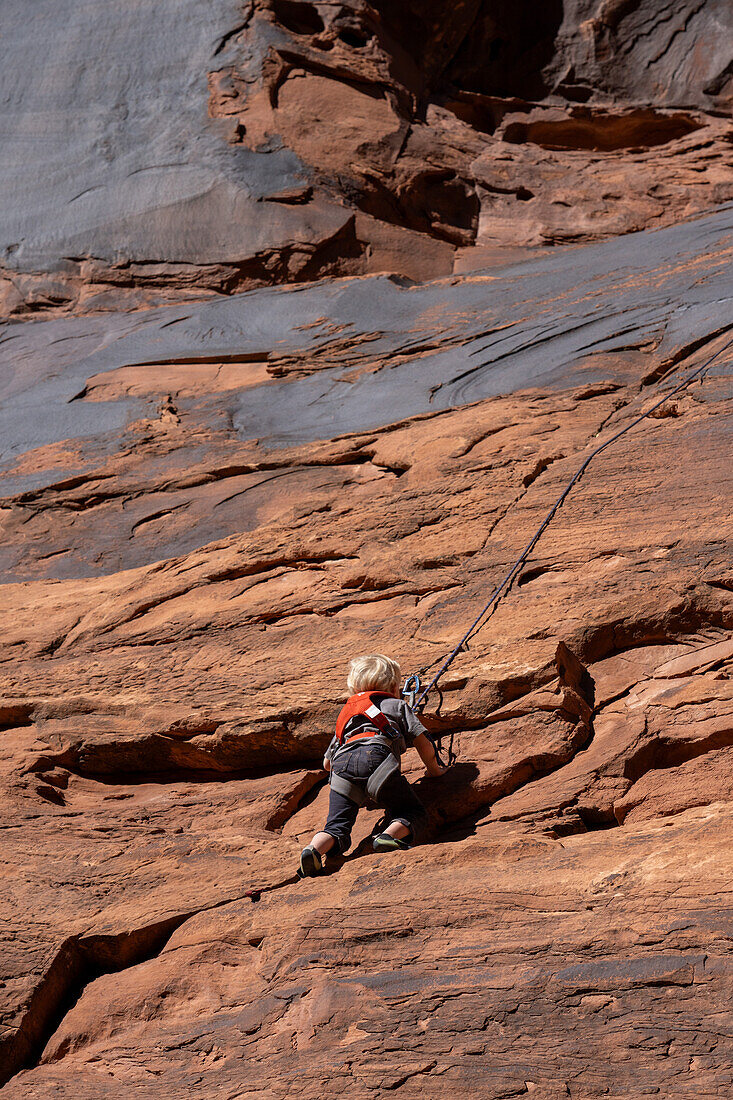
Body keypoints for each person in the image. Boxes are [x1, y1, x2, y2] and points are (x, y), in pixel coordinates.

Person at [298, 653, 448, 878]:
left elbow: (327, 763)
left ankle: (314, 849)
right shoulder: (397, 705)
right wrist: (435, 770)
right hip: (376, 759)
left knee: (336, 826)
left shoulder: (346, 714)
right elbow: (422, 741)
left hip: (341, 767)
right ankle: (388, 836)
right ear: (395, 687)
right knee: (412, 811)